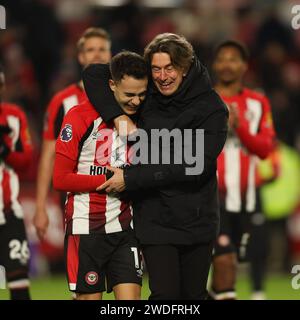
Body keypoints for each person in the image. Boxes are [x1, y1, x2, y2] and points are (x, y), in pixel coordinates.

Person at [83, 33, 228, 300]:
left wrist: (131, 178)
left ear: (184, 67)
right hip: (155, 220)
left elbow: (193, 166)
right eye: (156, 69)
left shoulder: (212, 108)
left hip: (197, 221)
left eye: (169, 68)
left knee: (193, 297)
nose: (162, 77)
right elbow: (93, 74)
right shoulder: (147, 94)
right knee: (164, 296)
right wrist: (118, 118)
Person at [53, 51, 148, 300]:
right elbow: (60, 178)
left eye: (142, 94)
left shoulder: (143, 119)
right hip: (86, 227)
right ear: (111, 85)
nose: (136, 102)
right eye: (129, 95)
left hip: (125, 227)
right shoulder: (78, 117)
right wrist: (111, 181)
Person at [209, 40, 276, 300]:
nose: (227, 64)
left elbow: (265, 148)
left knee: (232, 268)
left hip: (246, 198)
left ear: (244, 66)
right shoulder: (203, 100)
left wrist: (239, 127)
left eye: (233, 59)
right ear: (214, 65)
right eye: (222, 58)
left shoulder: (258, 103)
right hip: (211, 198)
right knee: (224, 261)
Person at [33, 27, 112, 240]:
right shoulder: (62, 102)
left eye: (102, 49)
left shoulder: (125, 96)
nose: (96, 54)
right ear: (80, 56)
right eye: (90, 49)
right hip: (76, 196)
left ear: (110, 55)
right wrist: (40, 207)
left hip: (117, 192)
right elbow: (48, 155)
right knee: (82, 268)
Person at [0, 65, 33, 299]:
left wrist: (4, 148)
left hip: (9, 212)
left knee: (19, 285)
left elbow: (25, 161)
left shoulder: (13, 116)